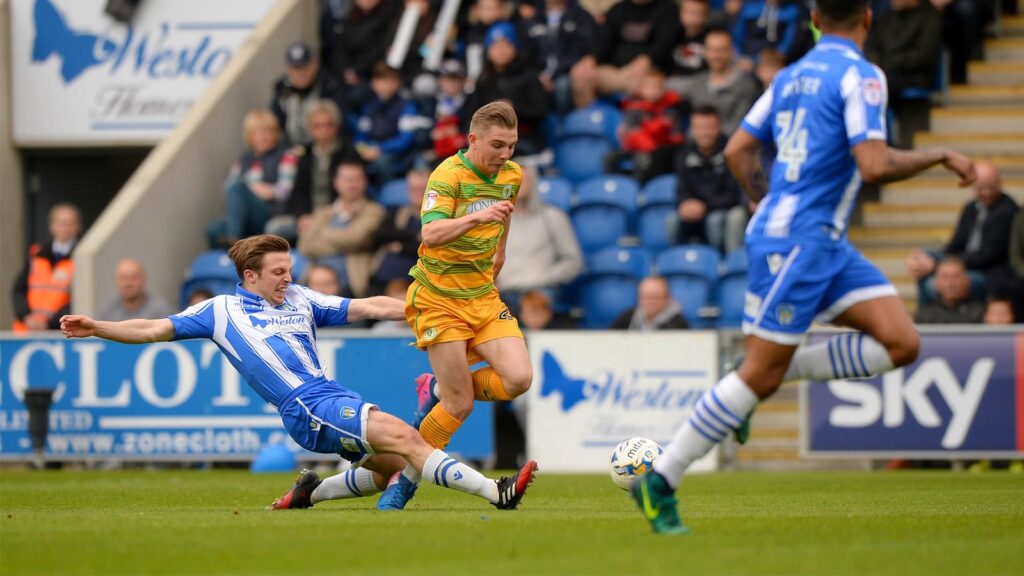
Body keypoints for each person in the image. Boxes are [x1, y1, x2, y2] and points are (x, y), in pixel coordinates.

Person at [631, 0, 976, 535]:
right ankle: (661, 479)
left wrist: (763, 200)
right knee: (760, 371)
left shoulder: (791, 75)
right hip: (800, 241)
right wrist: (937, 155)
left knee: (901, 342)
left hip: (820, 242)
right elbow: (874, 163)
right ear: (867, 16)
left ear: (815, 18)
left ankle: (756, 377)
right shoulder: (861, 75)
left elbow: (738, 149)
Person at [59, 235, 537, 512]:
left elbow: (367, 305)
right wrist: (98, 326)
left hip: (329, 395)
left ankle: (310, 491)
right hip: (306, 406)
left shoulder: (301, 299)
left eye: (289, 270)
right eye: (278, 272)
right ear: (250, 277)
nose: (287, 278)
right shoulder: (221, 310)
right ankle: (497, 493)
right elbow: (150, 328)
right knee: (408, 437)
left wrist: (425, 309)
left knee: (389, 464)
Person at [376, 101, 534, 511]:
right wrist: (477, 220)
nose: (505, 155)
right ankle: (405, 482)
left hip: (481, 295)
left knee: (519, 380)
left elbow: (506, 213)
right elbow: (430, 233)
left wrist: (500, 251)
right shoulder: (448, 176)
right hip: (440, 300)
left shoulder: (512, 174)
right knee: (459, 404)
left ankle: (439, 388)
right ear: (472, 140)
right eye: (497, 145)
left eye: (512, 145)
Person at [905, 161, 1018, 304]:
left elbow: (985, 256)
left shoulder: (1007, 210)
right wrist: (925, 259)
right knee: (923, 260)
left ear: (1000, 183)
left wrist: (939, 264)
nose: (987, 193)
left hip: (988, 272)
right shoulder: (971, 208)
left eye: (992, 187)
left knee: (931, 284)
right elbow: (955, 245)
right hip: (964, 262)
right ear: (973, 186)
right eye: (981, 188)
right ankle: (924, 317)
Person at [265, 100, 359, 242]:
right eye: (318, 126)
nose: (324, 130)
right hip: (308, 216)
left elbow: (353, 191)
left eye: (329, 125)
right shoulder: (305, 154)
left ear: (337, 127)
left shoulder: (349, 154)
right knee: (274, 228)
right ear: (310, 129)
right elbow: (298, 192)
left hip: (338, 215)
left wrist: (323, 217)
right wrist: (303, 215)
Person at [207, 110, 298, 248]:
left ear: (275, 133)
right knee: (213, 231)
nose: (263, 137)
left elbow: (283, 192)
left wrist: (252, 190)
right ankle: (229, 259)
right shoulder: (244, 160)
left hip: (270, 212)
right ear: (250, 136)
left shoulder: (286, 156)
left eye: (267, 132)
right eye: (257, 133)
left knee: (238, 188)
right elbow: (226, 190)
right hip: (244, 214)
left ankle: (234, 240)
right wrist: (253, 189)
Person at [497, 166, 584, 310]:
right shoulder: (496, 220)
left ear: (534, 182)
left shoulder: (553, 217)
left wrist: (546, 278)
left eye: (524, 180)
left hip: (541, 292)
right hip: (505, 293)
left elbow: (573, 261)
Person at [296, 160, 386, 298]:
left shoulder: (373, 211)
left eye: (356, 179)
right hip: (314, 281)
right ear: (336, 182)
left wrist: (321, 234)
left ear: (365, 182)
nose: (351, 184)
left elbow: (355, 239)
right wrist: (342, 244)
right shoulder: (323, 212)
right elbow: (306, 245)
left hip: (350, 283)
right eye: (346, 179)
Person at [674, 105, 747, 254]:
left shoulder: (731, 152)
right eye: (699, 128)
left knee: (719, 220)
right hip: (699, 209)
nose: (704, 133)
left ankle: (725, 264)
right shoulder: (684, 154)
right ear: (692, 130)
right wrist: (685, 203)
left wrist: (705, 206)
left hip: (725, 208)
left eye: (709, 127)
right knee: (672, 220)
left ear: (719, 127)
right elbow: (681, 189)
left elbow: (734, 194)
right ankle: (678, 263)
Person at [672, 27, 762, 135]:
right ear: (704, 52)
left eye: (721, 50)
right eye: (711, 50)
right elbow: (666, 85)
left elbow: (740, 127)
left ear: (731, 51)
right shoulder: (697, 82)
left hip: (728, 145)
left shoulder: (746, 85)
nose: (715, 56)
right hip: (696, 146)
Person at [12, 203, 81, 332]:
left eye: (69, 223)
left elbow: (80, 297)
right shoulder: (36, 254)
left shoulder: (80, 258)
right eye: (61, 223)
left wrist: (51, 322)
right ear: (52, 226)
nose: (64, 228)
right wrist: (26, 316)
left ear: (77, 227)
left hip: (59, 331)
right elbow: (19, 290)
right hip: (27, 330)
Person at [270, 41, 346, 146]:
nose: (301, 73)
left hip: (321, 147)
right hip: (289, 147)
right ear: (289, 69)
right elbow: (274, 121)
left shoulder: (329, 86)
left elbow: (338, 124)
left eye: (305, 67)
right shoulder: (283, 88)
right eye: (296, 68)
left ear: (315, 65)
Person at [914, 256, 985, 324]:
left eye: (956, 277)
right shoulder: (924, 315)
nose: (951, 283)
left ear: (967, 281)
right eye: (945, 277)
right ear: (936, 283)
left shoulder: (982, 314)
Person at [99, 259, 174, 322]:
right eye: (123, 278)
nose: (128, 283)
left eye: (133, 278)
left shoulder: (160, 310)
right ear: (116, 281)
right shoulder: (108, 309)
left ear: (144, 279)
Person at [609, 276, 689, 330]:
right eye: (645, 297)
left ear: (667, 299)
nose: (650, 302)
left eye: (655, 297)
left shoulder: (678, 324)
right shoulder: (628, 317)